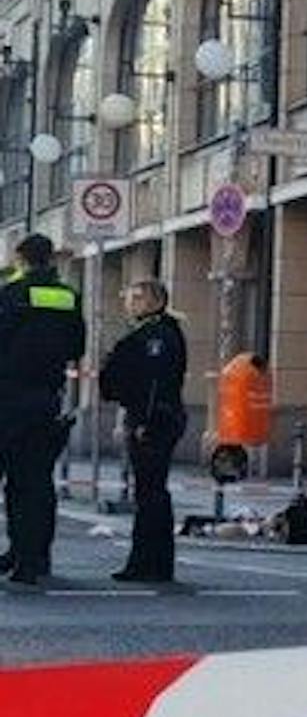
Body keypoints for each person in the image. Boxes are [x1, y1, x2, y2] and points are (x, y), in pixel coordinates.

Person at [0, 234, 86, 588]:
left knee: (14, 482)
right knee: (37, 481)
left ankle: (20, 555)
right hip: (48, 397)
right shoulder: (69, 296)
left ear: (21, 259)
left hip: (8, 398)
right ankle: (35, 557)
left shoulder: (11, 295)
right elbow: (77, 346)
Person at [99, 277, 188, 585]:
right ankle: (153, 563)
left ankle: (147, 563)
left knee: (150, 494)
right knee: (151, 492)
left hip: (153, 420)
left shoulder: (156, 336)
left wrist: (144, 422)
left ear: (153, 301)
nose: (129, 303)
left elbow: (153, 382)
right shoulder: (157, 332)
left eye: (136, 298)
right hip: (155, 417)